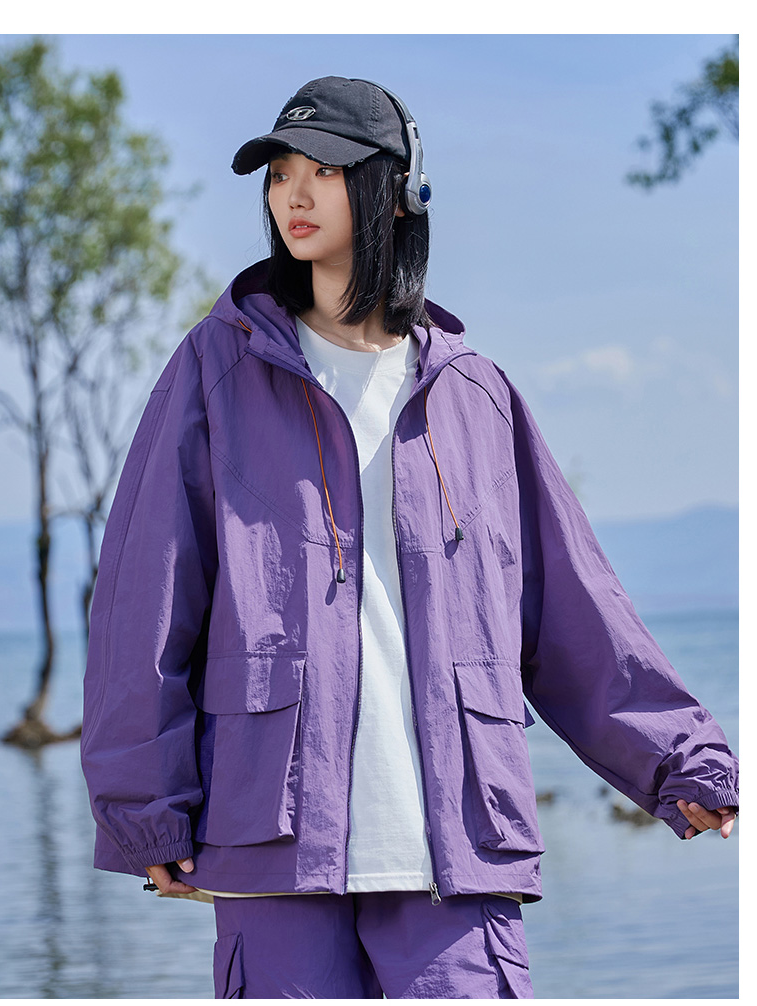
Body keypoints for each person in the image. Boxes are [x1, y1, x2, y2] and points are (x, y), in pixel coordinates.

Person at [81, 76, 738, 1000]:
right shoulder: (216, 369)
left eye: (324, 171)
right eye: (279, 173)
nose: (294, 194)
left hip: (459, 846)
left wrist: (677, 760)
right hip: (272, 846)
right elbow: (147, 601)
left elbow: (570, 607)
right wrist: (148, 810)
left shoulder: (475, 393)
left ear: (398, 191)